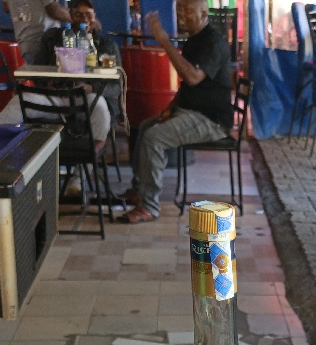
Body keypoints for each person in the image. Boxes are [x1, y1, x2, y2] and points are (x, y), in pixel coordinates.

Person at [122, 0, 233, 224]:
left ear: (204, 14)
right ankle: (139, 191)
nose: (182, 14)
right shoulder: (194, 39)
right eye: (180, 9)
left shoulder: (212, 42)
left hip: (210, 119)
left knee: (154, 137)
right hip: (190, 111)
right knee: (145, 127)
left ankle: (150, 206)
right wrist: (170, 108)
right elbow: (186, 86)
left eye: (188, 10)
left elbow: (192, 77)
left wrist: (164, 41)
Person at [34, 0, 121, 124]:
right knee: (18, 103)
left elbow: (116, 86)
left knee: (99, 108)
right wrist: (48, 86)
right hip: (55, 98)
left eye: (88, 15)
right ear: (70, 16)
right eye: (78, 15)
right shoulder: (52, 38)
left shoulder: (107, 46)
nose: (84, 19)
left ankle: (93, 138)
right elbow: (37, 71)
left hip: (90, 98)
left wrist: (91, 88)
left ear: (95, 17)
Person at [2, 0, 70, 63]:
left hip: (25, 41)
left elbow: (6, 6)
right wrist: (74, 17)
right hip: (43, 42)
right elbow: (54, 9)